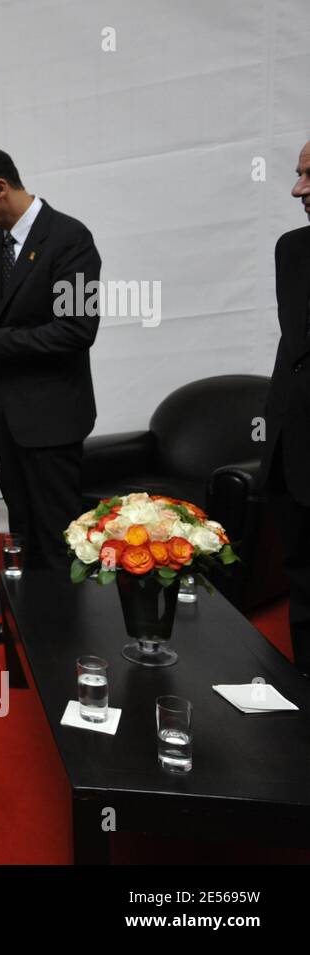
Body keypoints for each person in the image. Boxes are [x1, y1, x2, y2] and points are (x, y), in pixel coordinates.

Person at [0, 146, 100, 645]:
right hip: (9, 416)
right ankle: (28, 626)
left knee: (59, 536)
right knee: (24, 534)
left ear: (0, 188)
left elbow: (76, 331)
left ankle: (65, 640)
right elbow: (0, 309)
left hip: (54, 418)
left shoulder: (71, 238)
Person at [257, 139, 310, 676]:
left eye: (309, 176)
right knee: (302, 580)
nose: (298, 189)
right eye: (298, 175)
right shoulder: (291, 250)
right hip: (294, 450)